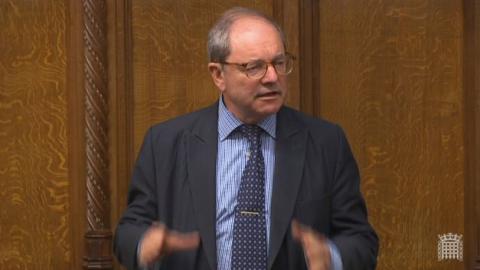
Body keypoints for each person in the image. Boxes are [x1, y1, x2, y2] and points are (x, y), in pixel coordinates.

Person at [114, 6, 378, 270]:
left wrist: (331, 257)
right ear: (218, 75)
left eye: (280, 62)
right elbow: (128, 232)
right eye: (255, 67)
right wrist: (143, 244)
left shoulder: (326, 142)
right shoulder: (165, 143)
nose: (273, 77)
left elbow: (361, 241)